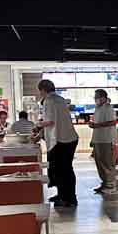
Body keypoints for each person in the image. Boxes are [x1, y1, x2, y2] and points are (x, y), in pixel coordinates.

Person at [37, 78, 79, 207]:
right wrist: (40, 133)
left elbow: (50, 121)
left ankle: (67, 199)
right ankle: (64, 195)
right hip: (69, 139)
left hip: (60, 140)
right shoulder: (60, 99)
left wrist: (38, 123)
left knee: (61, 171)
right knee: (66, 169)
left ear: (43, 90)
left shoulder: (48, 101)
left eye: (40, 91)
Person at [90, 89, 118, 193]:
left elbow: (112, 122)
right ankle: (105, 183)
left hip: (107, 139)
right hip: (98, 139)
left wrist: (97, 125)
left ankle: (111, 185)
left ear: (103, 98)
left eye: (97, 97)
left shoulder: (108, 108)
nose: (95, 99)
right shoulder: (97, 108)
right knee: (100, 163)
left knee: (107, 163)